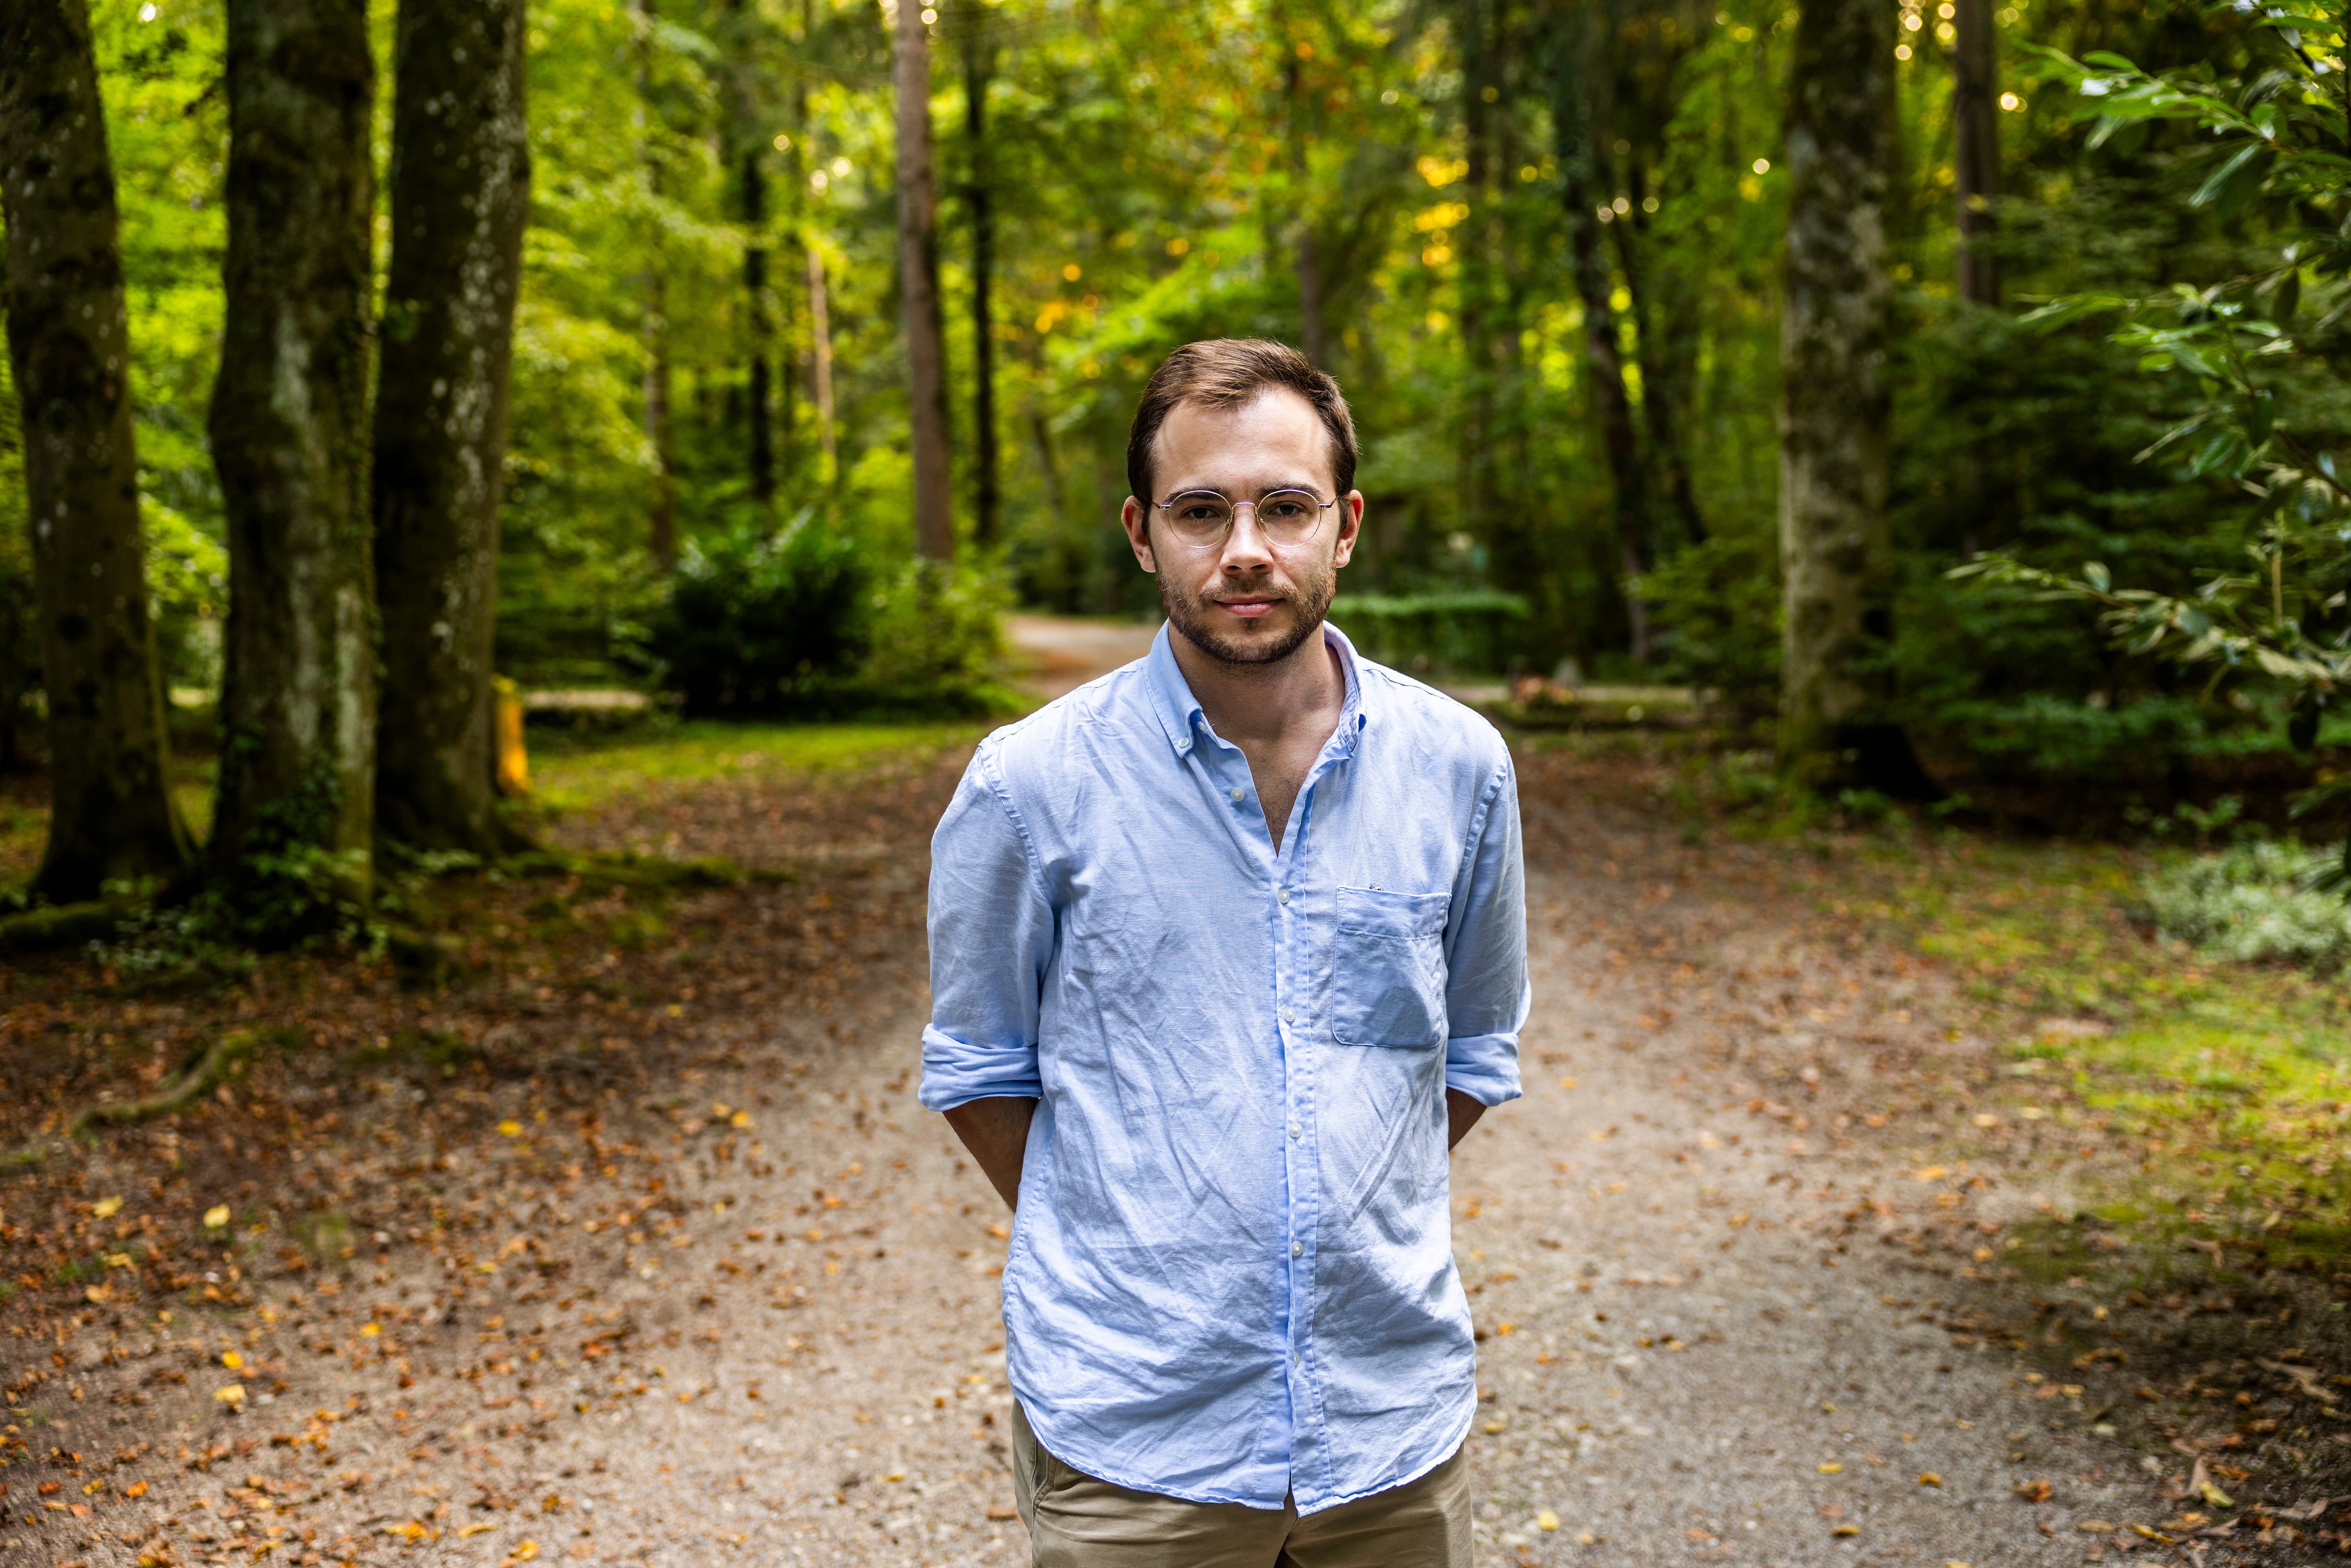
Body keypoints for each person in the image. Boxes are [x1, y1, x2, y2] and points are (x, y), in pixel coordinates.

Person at [920, 338, 1529, 1567]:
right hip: (1138, 1438)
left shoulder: (1461, 768)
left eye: (1285, 506)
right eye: (1203, 510)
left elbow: (1472, 1048)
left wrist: (1343, 1194)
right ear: (1144, 533)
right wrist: (1142, 1234)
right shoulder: (1031, 784)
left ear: (1345, 525)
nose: (1245, 547)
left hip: (1390, 1435)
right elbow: (981, 1069)